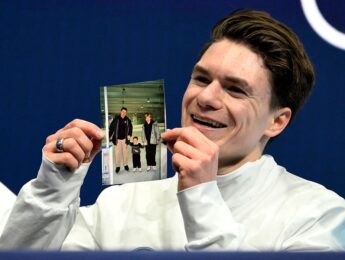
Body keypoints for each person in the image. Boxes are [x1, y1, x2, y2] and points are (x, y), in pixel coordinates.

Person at [1, 9, 345, 251]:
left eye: (235, 89)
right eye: (201, 78)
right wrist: (52, 190)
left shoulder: (320, 215)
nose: (205, 97)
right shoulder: (121, 203)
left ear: (277, 121)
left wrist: (201, 196)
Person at [109, 107, 133, 173]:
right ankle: (118, 166)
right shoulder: (116, 119)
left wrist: (129, 135)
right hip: (117, 139)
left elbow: (131, 128)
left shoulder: (128, 120)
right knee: (117, 153)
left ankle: (125, 165)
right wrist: (109, 136)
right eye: (123, 112)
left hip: (125, 139)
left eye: (125, 112)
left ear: (126, 113)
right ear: (120, 111)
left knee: (125, 153)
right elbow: (111, 128)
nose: (124, 113)